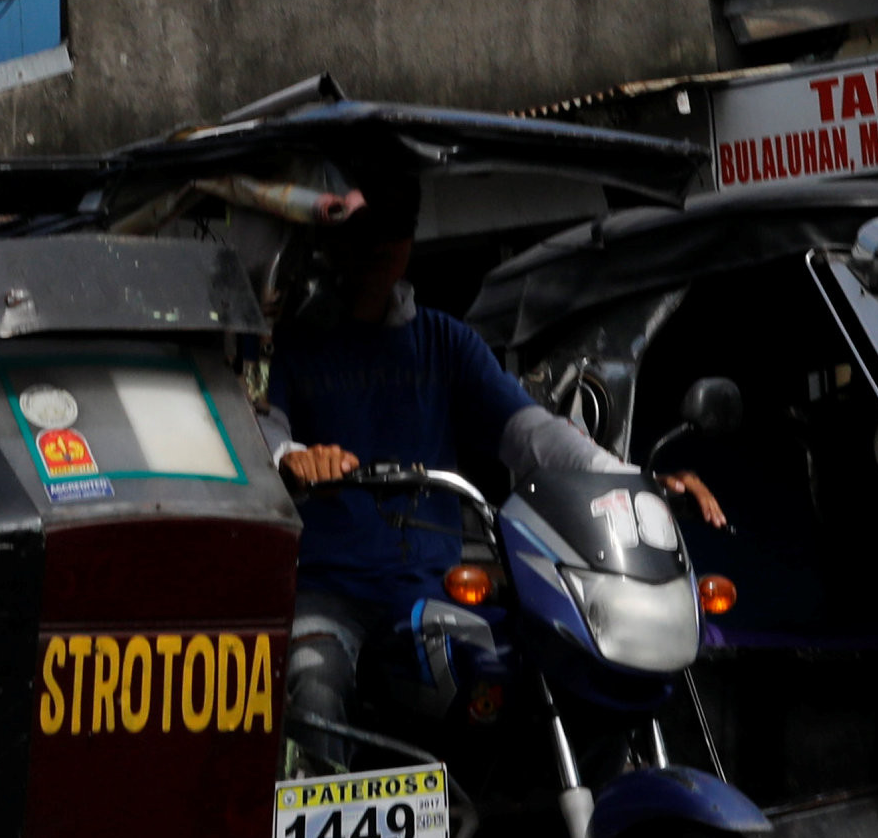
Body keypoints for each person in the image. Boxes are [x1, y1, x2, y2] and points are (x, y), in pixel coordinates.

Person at [266, 167, 723, 742]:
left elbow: (536, 438)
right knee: (316, 685)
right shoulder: (296, 345)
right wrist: (294, 458)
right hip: (330, 595)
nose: (384, 244)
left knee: (525, 677)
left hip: (433, 592)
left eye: (399, 227)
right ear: (337, 235)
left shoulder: (445, 343)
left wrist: (640, 482)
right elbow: (265, 431)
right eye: (370, 226)